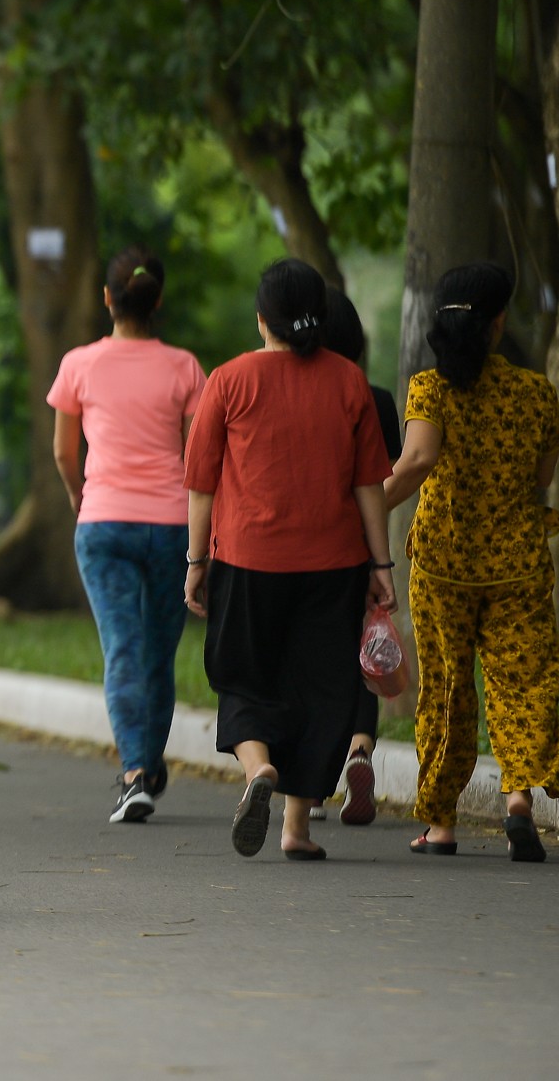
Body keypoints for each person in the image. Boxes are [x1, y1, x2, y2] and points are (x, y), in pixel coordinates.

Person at [183, 259, 395, 861]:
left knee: (243, 675)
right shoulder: (349, 382)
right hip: (333, 566)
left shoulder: (227, 380)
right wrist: (381, 569)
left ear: (261, 320)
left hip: (247, 561)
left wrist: (196, 561)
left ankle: (257, 771)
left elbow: (200, 484)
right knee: (321, 692)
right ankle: (297, 830)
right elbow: (368, 487)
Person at [384, 263, 559, 863]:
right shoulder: (536, 392)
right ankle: (518, 803)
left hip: (443, 562)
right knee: (522, 683)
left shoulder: (428, 388)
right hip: (517, 563)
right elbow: (543, 478)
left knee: (446, 690)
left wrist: (357, 505)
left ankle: (441, 825)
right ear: (498, 323)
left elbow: (415, 463)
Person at [47, 246, 206, 824]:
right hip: (169, 526)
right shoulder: (186, 367)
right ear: (157, 300)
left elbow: (65, 451)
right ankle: (148, 762)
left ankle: (136, 773)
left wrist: (77, 494)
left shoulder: (79, 363)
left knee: (122, 649)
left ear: (107, 299)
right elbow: (200, 458)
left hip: (104, 523)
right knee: (158, 655)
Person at [317, 289, 404, 826]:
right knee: (364, 662)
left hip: (309, 549)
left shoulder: (303, 395)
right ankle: (359, 751)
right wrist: (380, 557)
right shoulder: (377, 398)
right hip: (361, 550)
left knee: (314, 661)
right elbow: (384, 477)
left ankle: (315, 780)